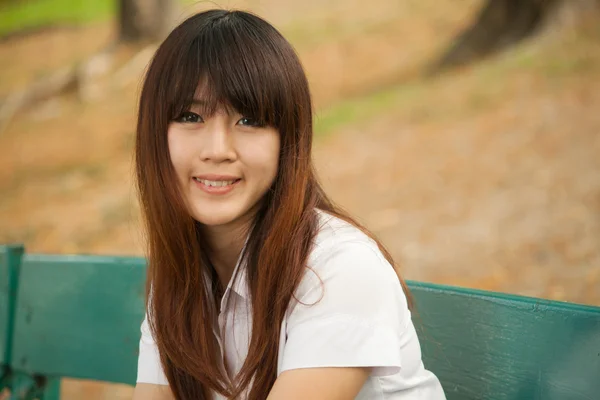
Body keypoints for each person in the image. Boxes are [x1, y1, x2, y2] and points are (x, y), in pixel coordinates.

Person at [133, 9, 446, 400]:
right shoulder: (181, 278)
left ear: (288, 140)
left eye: (248, 121)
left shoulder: (338, 268)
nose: (217, 150)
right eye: (190, 116)